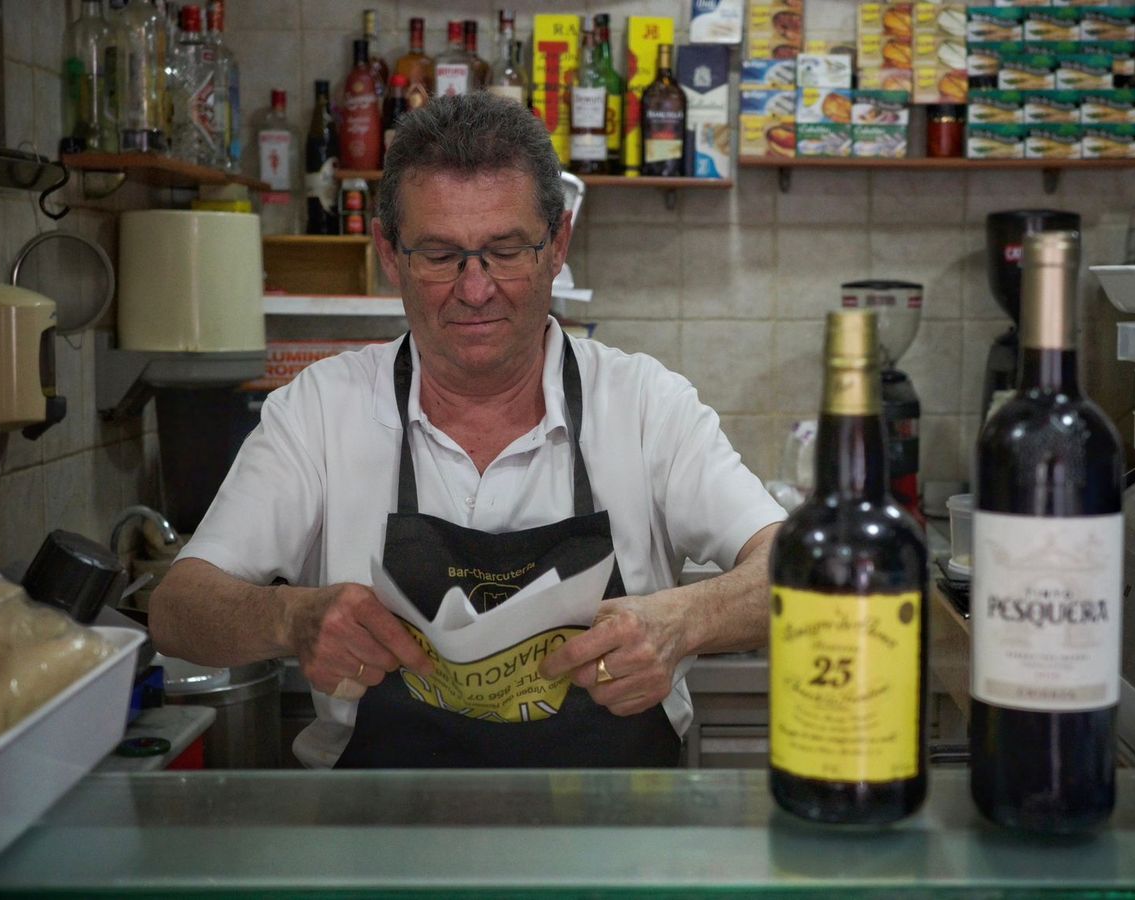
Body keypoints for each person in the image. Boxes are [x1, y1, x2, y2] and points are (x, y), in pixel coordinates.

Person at [149, 92, 787, 768]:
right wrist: (291, 620)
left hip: (612, 838)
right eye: (439, 254)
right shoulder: (319, 410)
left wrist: (680, 624)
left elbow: (798, 568)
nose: (475, 289)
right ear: (391, 256)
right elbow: (178, 609)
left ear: (557, 245)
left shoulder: (643, 404)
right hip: (384, 834)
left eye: (506, 251)